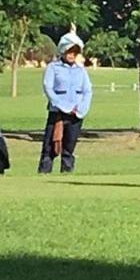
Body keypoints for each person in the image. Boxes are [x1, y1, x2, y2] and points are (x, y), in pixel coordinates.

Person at [39, 32, 92, 174]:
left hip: (76, 115)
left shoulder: (81, 71)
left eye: (75, 52)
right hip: (58, 114)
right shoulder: (53, 68)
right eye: (69, 51)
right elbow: (48, 88)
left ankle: (67, 174)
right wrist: (63, 107)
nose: (71, 55)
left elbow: (87, 91)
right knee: (49, 148)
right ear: (63, 51)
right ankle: (43, 176)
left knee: (69, 148)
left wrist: (81, 109)